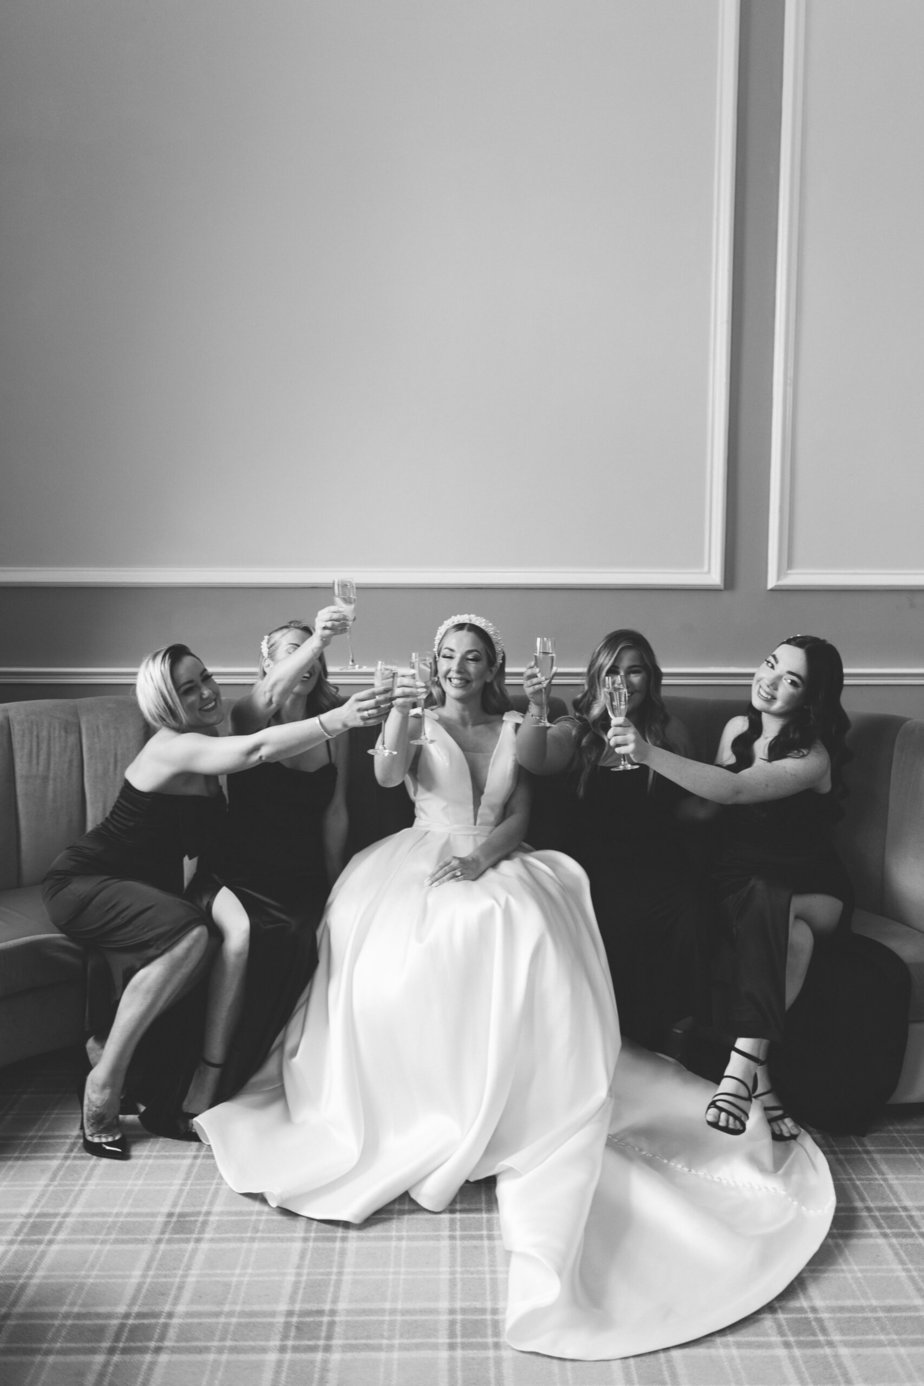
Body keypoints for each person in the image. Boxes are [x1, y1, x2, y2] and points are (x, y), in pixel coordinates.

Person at [195, 614, 834, 1362]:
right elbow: (387, 777)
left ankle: (522, 1103)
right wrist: (400, 713)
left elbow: (526, 804)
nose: (459, 667)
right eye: (448, 656)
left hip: (499, 854)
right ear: (434, 662)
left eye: (472, 657)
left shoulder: (514, 719)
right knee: (419, 944)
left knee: (520, 927)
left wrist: (484, 856)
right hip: (415, 855)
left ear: (491, 664)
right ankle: (425, 1106)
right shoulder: (418, 711)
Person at [42, 633, 388, 1158]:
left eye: (205, 677)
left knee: (200, 934)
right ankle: (103, 1086)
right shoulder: (176, 745)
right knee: (191, 936)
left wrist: (320, 644)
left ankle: (126, 1058)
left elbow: (267, 703)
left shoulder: (208, 733)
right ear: (164, 702)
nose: (206, 692)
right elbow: (257, 747)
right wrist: (340, 718)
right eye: (188, 688)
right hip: (87, 881)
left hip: (140, 888)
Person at [608, 634, 853, 1143]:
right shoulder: (738, 728)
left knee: (775, 900)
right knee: (794, 937)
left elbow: (737, 790)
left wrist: (650, 753)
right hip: (741, 879)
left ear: (809, 698)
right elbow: (709, 807)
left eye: (791, 680)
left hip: (813, 885)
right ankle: (762, 1080)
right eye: (770, 664)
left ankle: (737, 1072)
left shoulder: (813, 757)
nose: (770, 681)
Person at [183, 611, 354, 1114]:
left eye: (314, 654)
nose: (308, 660)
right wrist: (318, 637)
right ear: (268, 663)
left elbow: (336, 814)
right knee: (266, 932)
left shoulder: (336, 724)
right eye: (291, 650)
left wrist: (334, 885)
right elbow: (267, 700)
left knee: (310, 932)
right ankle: (212, 1075)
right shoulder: (246, 716)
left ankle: (281, 1073)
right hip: (239, 870)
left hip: (298, 873)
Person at [517, 628, 710, 1049]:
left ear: (651, 677)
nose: (623, 682)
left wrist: (737, 782)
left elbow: (690, 807)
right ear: (597, 678)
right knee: (607, 912)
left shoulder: (668, 730)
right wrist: (537, 705)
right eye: (612, 672)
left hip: (659, 863)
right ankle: (608, 1043)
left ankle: (671, 1037)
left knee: (690, 909)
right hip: (592, 866)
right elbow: (533, 760)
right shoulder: (577, 730)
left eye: (635, 671)